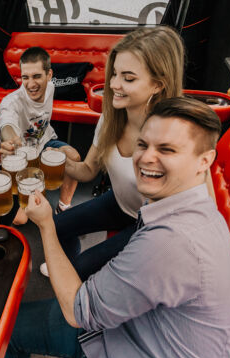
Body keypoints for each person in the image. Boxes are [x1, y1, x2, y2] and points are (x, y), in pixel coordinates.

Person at [0, 97, 230, 358]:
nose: (146, 158)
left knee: (18, 321)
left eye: (167, 149)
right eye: (143, 145)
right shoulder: (187, 211)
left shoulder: (170, 243)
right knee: (8, 329)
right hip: (125, 332)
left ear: (205, 161)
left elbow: (78, 311)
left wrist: (46, 226)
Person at [41, 26, 184, 279]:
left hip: (151, 225)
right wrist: (47, 159)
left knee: (81, 271)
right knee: (53, 227)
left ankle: (76, 285)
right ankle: (70, 273)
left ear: (157, 85)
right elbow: (86, 171)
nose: (114, 84)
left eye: (128, 78)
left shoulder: (172, 140)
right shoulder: (111, 118)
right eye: (115, 73)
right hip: (120, 204)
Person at [0, 47, 81, 224]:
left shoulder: (50, 88)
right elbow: (6, 122)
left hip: (46, 141)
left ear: (49, 75)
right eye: (25, 77)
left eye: (36, 76)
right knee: (22, 219)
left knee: (75, 157)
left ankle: (63, 206)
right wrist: (11, 139)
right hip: (22, 153)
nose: (31, 84)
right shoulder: (12, 102)